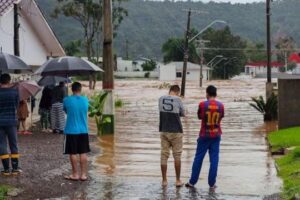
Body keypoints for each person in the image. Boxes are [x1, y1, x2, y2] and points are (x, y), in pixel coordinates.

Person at [185, 85, 224, 192]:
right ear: (215, 94)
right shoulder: (221, 106)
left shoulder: (202, 104)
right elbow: (221, 117)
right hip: (216, 135)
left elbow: (199, 117)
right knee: (214, 160)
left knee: (198, 158)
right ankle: (212, 184)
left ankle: (192, 182)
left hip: (204, 135)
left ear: (207, 94)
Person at [159, 85, 185, 187]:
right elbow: (182, 113)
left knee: (164, 155)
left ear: (169, 91)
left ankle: (164, 181)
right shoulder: (178, 99)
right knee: (177, 155)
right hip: (176, 131)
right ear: (177, 92)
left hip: (164, 130)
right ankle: (178, 180)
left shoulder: (160, 99)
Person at [63, 82, 90, 181]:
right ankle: (83, 175)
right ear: (80, 89)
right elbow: (87, 110)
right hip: (83, 130)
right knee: (83, 152)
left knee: (73, 153)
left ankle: (75, 174)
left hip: (71, 130)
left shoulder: (66, 100)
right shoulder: (85, 100)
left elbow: (66, 111)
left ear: (72, 89)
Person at [0, 74, 21, 175]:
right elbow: (16, 106)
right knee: (14, 144)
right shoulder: (14, 92)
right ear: (9, 81)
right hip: (12, 121)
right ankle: (15, 169)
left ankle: (6, 169)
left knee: (2, 144)